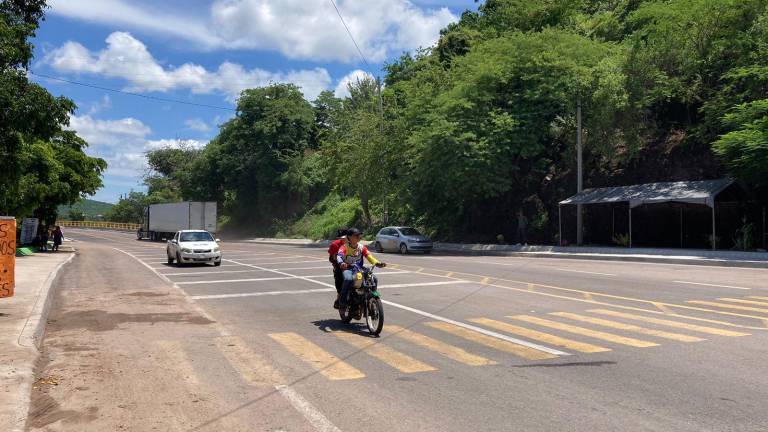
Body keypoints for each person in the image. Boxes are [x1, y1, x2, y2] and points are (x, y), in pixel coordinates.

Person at [336, 228, 385, 310]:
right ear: (350, 237)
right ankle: (342, 301)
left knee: (374, 279)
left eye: (359, 235)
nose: (359, 237)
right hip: (348, 268)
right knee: (348, 279)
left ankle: (371, 295)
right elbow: (339, 256)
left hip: (360, 268)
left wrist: (377, 263)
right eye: (356, 235)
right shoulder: (344, 247)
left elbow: (369, 256)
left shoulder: (362, 247)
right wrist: (341, 263)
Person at [328, 228, 348, 309]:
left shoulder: (353, 244)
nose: (343, 239)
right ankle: (339, 299)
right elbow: (331, 259)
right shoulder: (335, 245)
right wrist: (337, 260)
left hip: (353, 266)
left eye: (345, 237)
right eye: (341, 238)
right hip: (339, 267)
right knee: (340, 284)